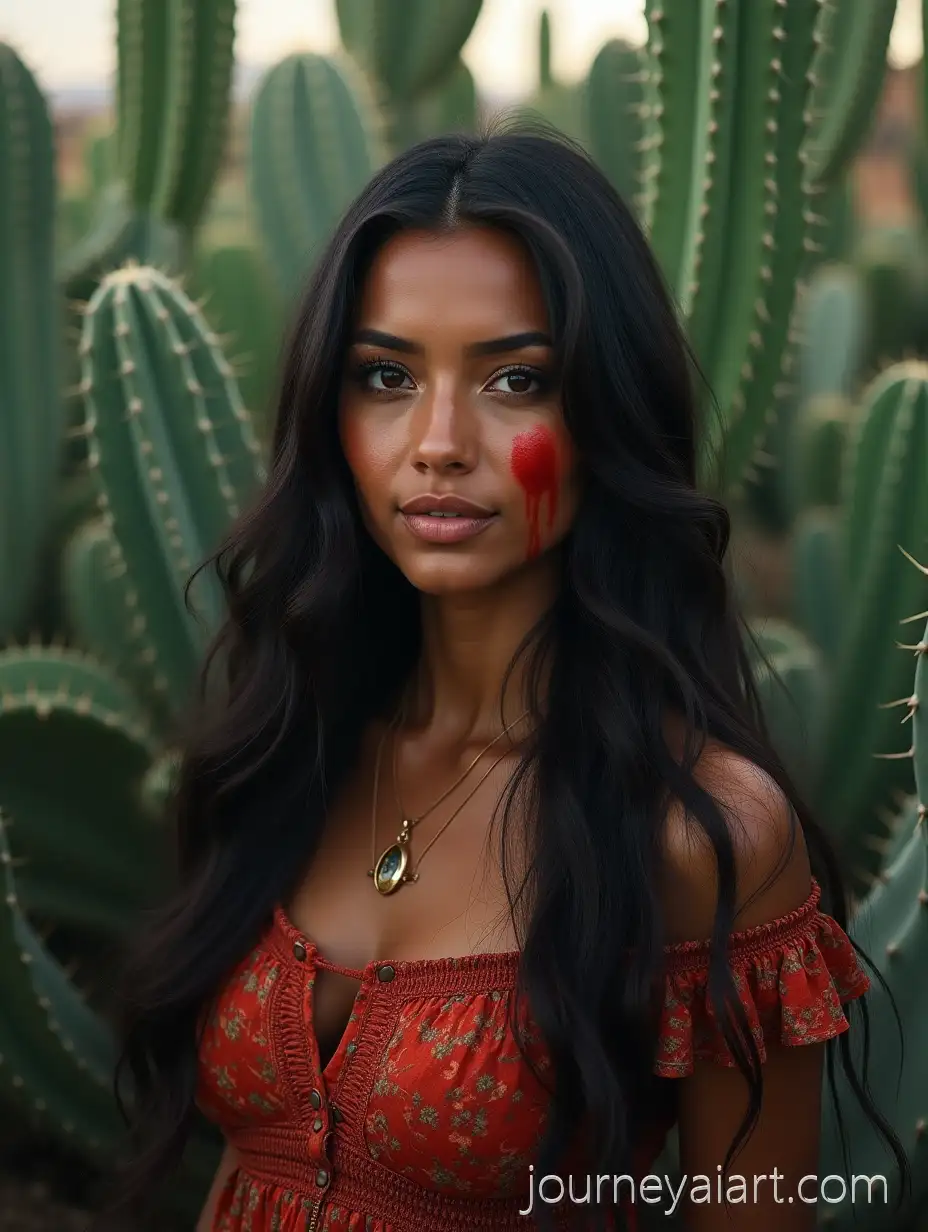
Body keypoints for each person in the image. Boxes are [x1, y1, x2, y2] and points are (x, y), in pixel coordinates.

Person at [108, 126, 907, 1232]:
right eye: (385, 376)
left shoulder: (696, 831)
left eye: (514, 378)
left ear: (602, 411)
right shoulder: (293, 740)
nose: (438, 441)